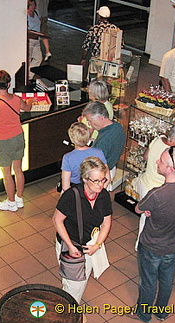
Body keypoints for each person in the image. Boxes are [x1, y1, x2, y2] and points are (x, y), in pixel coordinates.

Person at [128, 147, 175, 323]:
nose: (157, 162)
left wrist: (149, 210)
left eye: (161, 161)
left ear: (170, 169)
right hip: (173, 244)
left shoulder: (157, 194)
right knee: (166, 280)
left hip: (151, 246)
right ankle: (161, 312)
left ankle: (143, 313)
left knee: (148, 282)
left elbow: (138, 208)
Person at [53, 156, 112, 304]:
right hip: (71, 245)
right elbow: (57, 220)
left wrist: (97, 245)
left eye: (103, 180)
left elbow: (106, 223)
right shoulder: (71, 196)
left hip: (91, 244)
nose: (101, 185)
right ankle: (69, 313)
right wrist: (71, 246)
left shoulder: (103, 195)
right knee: (74, 285)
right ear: (85, 179)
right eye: (96, 180)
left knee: (81, 279)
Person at [132, 123, 175, 250]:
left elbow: (145, 156)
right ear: (174, 140)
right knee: (152, 222)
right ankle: (143, 246)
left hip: (146, 182)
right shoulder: (169, 155)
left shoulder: (157, 140)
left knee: (145, 219)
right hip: (156, 190)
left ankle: (141, 244)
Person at [0, 70, 33, 212]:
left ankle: (11, 203)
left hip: (4, 141)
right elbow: (28, 107)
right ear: (9, 84)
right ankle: (19, 198)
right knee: (18, 169)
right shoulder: (17, 99)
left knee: (7, 174)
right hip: (19, 136)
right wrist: (30, 101)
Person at [82, 101, 125, 183]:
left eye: (90, 121)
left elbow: (94, 166)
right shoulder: (117, 126)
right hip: (112, 167)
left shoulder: (103, 142)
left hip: (101, 175)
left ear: (100, 117)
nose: (89, 124)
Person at [61, 122, 109, 192]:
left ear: (72, 139)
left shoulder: (68, 157)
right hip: (94, 187)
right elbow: (107, 176)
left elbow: (65, 187)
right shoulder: (98, 152)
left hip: (76, 189)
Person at [27, 0, 43, 80]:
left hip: (37, 39)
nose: (32, 7)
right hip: (30, 39)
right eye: (30, 5)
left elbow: (40, 22)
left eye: (33, 5)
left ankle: (30, 74)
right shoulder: (26, 14)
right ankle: (27, 76)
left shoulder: (36, 13)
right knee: (28, 59)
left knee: (38, 58)